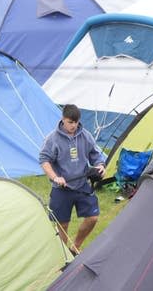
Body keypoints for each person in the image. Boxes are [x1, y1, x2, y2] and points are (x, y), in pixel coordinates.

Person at [39, 104, 105, 255]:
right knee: (63, 224)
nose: (74, 126)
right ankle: (64, 256)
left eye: (76, 122)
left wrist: (100, 165)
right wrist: (55, 177)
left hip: (82, 185)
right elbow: (44, 160)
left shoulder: (85, 135)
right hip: (62, 188)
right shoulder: (52, 139)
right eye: (70, 122)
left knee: (93, 218)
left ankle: (75, 247)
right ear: (63, 119)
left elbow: (96, 155)